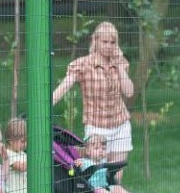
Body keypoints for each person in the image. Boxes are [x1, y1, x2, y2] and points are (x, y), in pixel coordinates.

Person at [52, 21, 134, 182]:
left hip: (121, 125)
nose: (109, 46)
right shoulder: (82, 64)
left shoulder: (120, 62)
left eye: (113, 42)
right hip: (97, 128)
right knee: (97, 176)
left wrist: (119, 66)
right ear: (94, 41)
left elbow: (129, 91)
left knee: (116, 175)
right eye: (105, 42)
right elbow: (64, 87)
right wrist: (45, 106)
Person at [75, 134, 146, 193]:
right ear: (88, 151)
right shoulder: (85, 162)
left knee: (117, 188)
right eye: (96, 148)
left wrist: (114, 163)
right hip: (93, 190)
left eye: (103, 149)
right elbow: (77, 165)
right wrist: (78, 163)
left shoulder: (104, 162)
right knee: (102, 190)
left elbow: (110, 164)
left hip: (106, 187)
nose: (100, 151)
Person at [4, 118, 27, 193]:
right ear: (11, 140)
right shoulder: (8, 155)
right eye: (22, 141)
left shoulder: (23, 154)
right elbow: (21, 168)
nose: (25, 144)